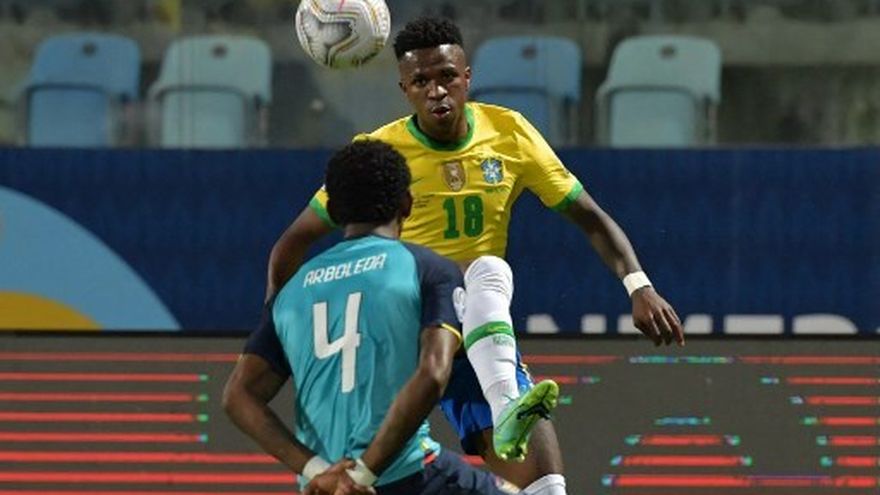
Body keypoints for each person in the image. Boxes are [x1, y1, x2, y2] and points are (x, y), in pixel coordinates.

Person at [267, 17, 686, 495]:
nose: (436, 91)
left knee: (546, 486)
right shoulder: (379, 154)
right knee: (482, 271)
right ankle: (504, 400)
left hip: (470, 334)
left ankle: (506, 406)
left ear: (467, 77)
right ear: (404, 89)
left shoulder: (509, 133)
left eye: (447, 76)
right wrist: (274, 331)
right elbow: (292, 242)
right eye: (421, 81)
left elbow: (589, 216)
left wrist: (639, 286)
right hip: (397, 337)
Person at [223, 140, 512, 495]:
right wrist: (360, 476)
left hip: (326, 488)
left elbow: (238, 395)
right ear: (407, 203)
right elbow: (434, 374)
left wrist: (317, 471)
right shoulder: (428, 269)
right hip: (412, 478)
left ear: (332, 210)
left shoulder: (292, 292)